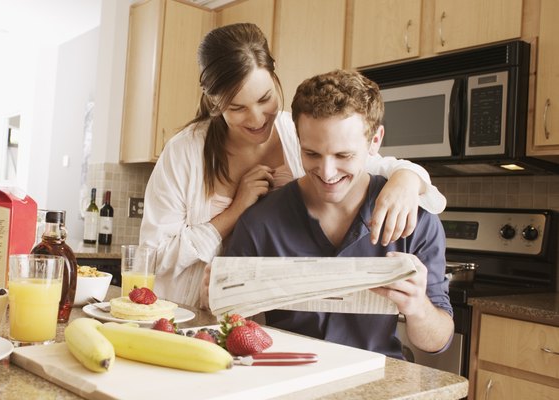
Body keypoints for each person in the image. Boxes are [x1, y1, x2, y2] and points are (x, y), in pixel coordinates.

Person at [139, 23, 446, 308]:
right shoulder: (184, 152)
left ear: (275, 78)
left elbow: (367, 161)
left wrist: (407, 179)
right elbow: (152, 261)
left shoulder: (295, 131)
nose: (257, 118)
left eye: (265, 99)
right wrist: (235, 212)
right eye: (238, 108)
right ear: (215, 103)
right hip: (187, 312)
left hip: (261, 316)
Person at [222, 69, 453, 358]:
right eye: (312, 154)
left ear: (375, 141)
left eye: (344, 156)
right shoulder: (261, 223)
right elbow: (231, 323)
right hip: (291, 379)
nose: (327, 173)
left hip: (378, 381)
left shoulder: (417, 219)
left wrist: (418, 307)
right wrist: (223, 294)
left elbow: (437, 341)